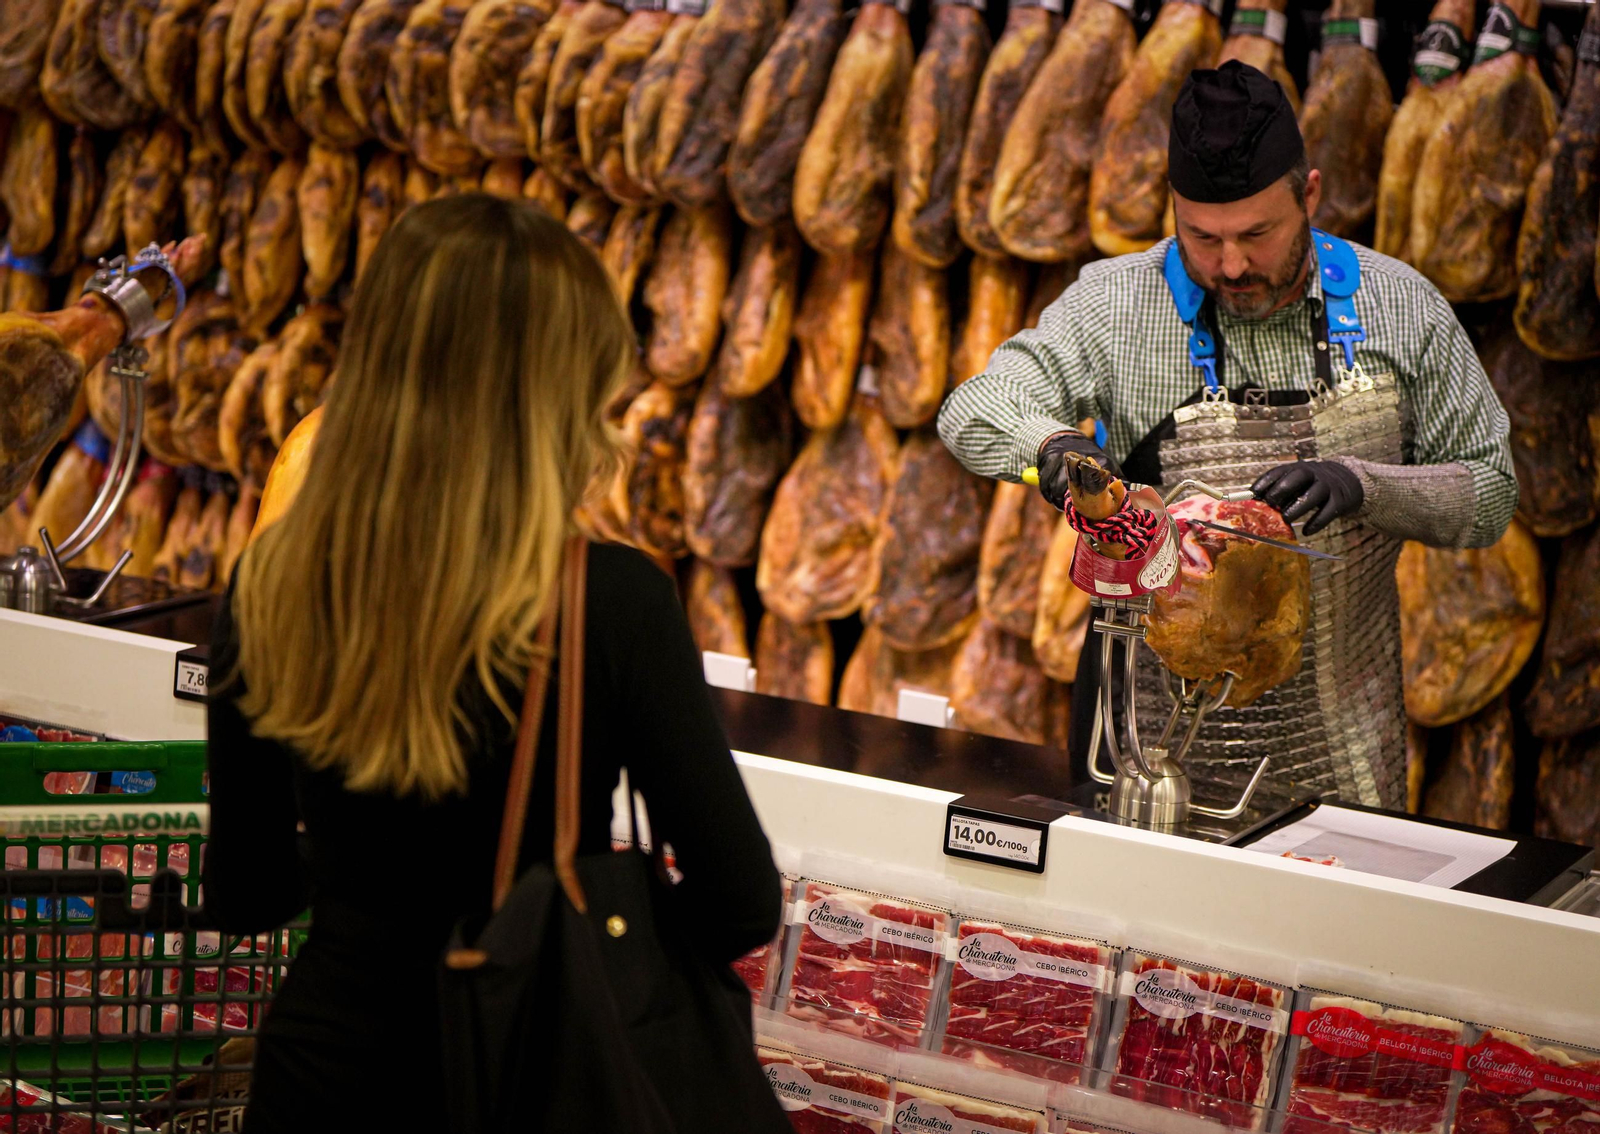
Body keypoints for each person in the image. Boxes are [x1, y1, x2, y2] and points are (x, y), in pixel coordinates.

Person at [203, 195, 783, 1131]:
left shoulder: (270, 581)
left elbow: (249, 893)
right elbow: (740, 900)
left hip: (328, 1074)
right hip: (534, 1069)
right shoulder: (614, 600)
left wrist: (367, 878)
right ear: (556, 391)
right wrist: (596, 936)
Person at [937, 61, 1516, 812]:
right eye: (1202, 238)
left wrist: (1366, 487)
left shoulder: (1402, 306)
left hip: (1344, 753)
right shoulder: (1118, 304)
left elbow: (1491, 491)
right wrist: (1051, 447)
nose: (1232, 264)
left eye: (1257, 234)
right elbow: (974, 405)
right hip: (1151, 761)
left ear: (1308, 194)